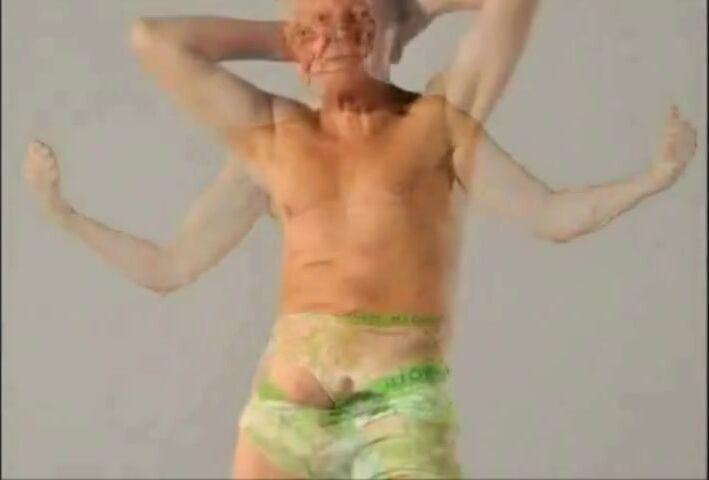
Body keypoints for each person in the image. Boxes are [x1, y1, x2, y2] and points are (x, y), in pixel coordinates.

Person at [23, 0, 697, 478]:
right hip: (285, 411)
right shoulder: (274, 139)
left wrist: (414, 11)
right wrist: (63, 214)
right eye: (313, 28)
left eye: (351, 21)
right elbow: (169, 262)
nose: (331, 38)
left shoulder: (436, 124)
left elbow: (549, 215)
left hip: (401, 404)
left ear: (379, 33)